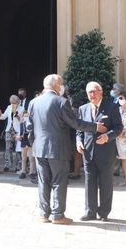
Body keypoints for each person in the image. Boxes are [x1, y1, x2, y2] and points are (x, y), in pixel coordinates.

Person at [27, 74, 106, 225]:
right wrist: (95, 127)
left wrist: (35, 144)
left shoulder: (34, 102)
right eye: (61, 84)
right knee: (59, 181)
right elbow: (74, 123)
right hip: (57, 149)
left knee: (43, 181)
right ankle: (58, 215)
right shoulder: (61, 102)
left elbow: (29, 127)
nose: (62, 86)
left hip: (39, 149)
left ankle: (44, 214)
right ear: (57, 86)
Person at [76, 82, 123, 222]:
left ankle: (103, 212)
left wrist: (108, 137)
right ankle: (90, 211)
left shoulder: (111, 107)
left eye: (95, 91)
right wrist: (78, 141)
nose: (92, 95)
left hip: (106, 152)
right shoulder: (83, 109)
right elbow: (79, 129)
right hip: (88, 151)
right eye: (90, 92)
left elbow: (118, 128)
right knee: (89, 182)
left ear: (101, 92)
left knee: (105, 182)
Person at [0, 95, 23, 172]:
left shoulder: (22, 108)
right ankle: (7, 165)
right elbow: (4, 117)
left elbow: (23, 120)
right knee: (8, 148)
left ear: (18, 102)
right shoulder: (9, 107)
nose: (13, 104)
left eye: (15, 103)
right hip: (9, 130)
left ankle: (18, 166)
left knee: (18, 149)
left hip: (17, 130)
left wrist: (18, 117)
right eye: (12, 103)